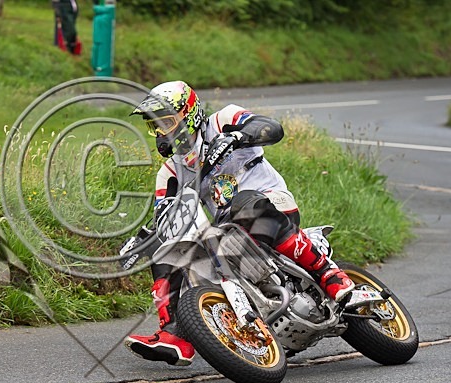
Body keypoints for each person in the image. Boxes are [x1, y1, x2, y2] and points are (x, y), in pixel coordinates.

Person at [124, 80, 355, 366]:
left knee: (243, 202)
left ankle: (329, 274)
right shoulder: (170, 172)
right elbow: (167, 213)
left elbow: (272, 128)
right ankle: (173, 334)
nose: (161, 133)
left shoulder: (224, 120)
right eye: (154, 126)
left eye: (166, 122)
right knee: (167, 248)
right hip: (229, 232)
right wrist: (147, 238)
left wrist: (235, 138)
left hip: (273, 204)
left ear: (189, 114)